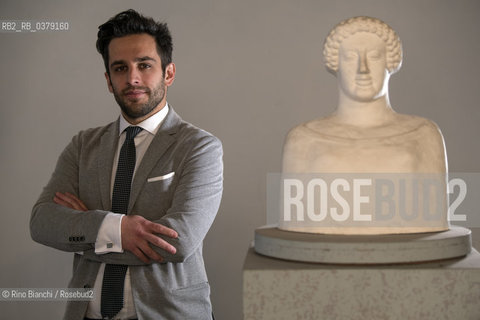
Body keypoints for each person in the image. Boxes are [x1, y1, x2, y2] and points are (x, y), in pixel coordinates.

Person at [30, 9, 223, 320]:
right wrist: (117, 228)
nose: (132, 78)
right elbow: (42, 224)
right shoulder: (83, 146)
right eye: (120, 68)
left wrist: (87, 227)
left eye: (144, 65)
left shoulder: (199, 147)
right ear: (109, 80)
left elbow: (179, 242)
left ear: (168, 73)